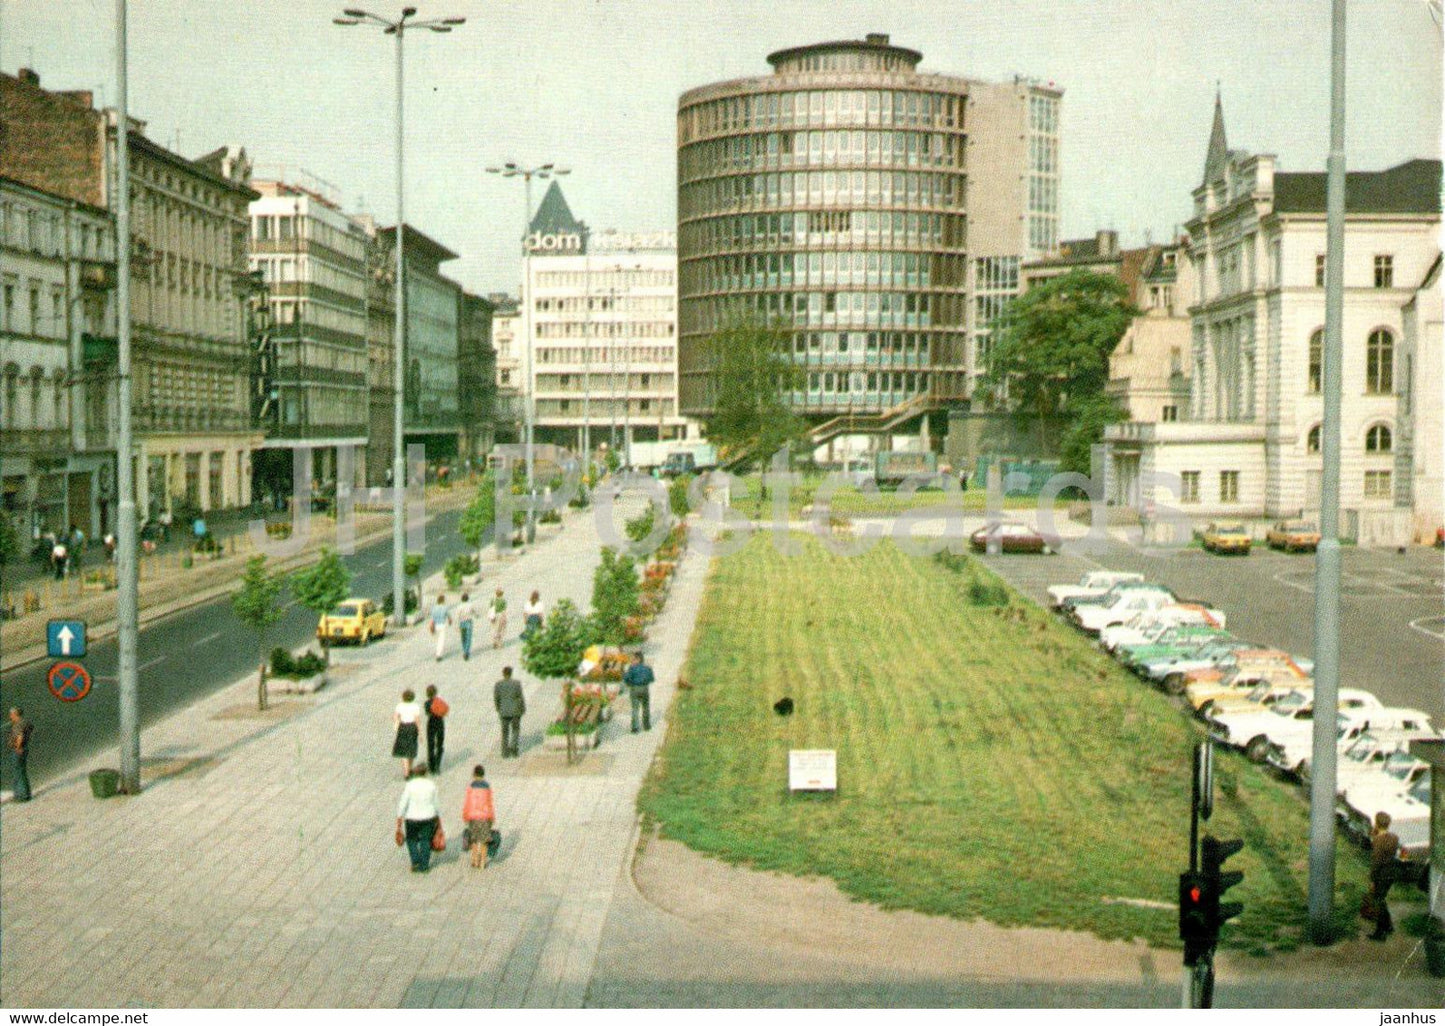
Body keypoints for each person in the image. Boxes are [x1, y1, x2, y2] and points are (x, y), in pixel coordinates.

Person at [395, 765, 441, 873]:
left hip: (412, 817)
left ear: (415, 773)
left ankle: (415, 861)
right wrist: (438, 816)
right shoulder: (431, 785)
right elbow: (436, 803)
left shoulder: (410, 785)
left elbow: (403, 802)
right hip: (428, 817)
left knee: (411, 839)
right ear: (425, 773)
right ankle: (424, 866)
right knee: (426, 840)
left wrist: (399, 816)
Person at [1368, 810, 1400, 941]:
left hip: (1381, 874)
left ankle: (1380, 932)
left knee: (1379, 901)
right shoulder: (1394, 838)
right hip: (1391, 872)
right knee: (1382, 898)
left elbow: (1376, 862)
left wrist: (1372, 879)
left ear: (1376, 823)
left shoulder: (1377, 841)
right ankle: (1388, 925)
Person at [461, 764, 496, 869]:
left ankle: (475, 860)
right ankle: (483, 863)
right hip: (485, 817)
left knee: (474, 840)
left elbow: (468, 803)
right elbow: (490, 803)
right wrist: (492, 817)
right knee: (484, 841)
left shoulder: (471, 787)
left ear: (474, 774)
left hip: (473, 817)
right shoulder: (487, 787)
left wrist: (465, 816)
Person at [493, 666, 526, 758]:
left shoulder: (498, 684)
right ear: (511, 673)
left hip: (503, 711)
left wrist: (498, 708)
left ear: (503, 674)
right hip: (515, 711)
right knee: (515, 730)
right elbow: (520, 697)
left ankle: (504, 752)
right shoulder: (516, 683)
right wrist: (523, 708)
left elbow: (496, 698)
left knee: (504, 732)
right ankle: (514, 748)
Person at [392, 689, 423, 778]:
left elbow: (395, 717)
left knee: (403, 750)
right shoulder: (415, 706)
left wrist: (396, 724)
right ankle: (410, 769)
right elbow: (417, 720)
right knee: (411, 748)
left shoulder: (400, 706)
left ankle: (406, 773)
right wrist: (420, 732)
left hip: (403, 727)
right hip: (412, 727)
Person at [623, 651, 655, 733]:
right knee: (646, 707)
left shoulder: (632, 668)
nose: (632, 661)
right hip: (645, 688)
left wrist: (629, 683)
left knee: (635, 708)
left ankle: (635, 727)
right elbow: (652, 679)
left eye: (633, 659)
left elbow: (626, 678)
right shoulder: (648, 668)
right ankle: (646, 725)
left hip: (634, 688)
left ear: (638, 659)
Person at [7, 708, 32, 802]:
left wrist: (18, 747)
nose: (10, 717)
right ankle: (26, 794)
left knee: (18, 773)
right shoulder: (25, 722)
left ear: (15, 714)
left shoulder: (18, 724)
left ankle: (21, 796)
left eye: (11, 715)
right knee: (22, 771)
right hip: (24, 748)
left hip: (18, 750)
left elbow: (20, 736)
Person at [424, 685, 448, 774]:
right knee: (440, 744)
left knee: (431, 745)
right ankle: (438, 765)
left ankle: (431, 766)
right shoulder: (439, 701)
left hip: (431, 723)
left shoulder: (427, 703)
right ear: (435, 692)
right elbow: (445, 711)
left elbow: (427, 713)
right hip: (440, 723)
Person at [455, 592, 477, 661]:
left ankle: (464, 649)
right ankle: (466, 652)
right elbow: (474, 612)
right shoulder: (470, 605)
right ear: (468, 599)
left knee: (463, 637)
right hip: (468, 622)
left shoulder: (459, 606)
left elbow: (457, 616)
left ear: (461, 599)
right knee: (468, 637)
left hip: (462, 622)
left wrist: (456, 625)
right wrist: (476, 615)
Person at [429, 594, 451, 662]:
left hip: (435, 625)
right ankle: (438, 655)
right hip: (442, 625)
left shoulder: (433, 608)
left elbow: (432, 619)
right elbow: (449, 617)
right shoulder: (445, 608)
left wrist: (431, 625)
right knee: (441, 640)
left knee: (436, 640)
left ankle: (437, 651)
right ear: (443, 601)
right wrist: (450, 622)